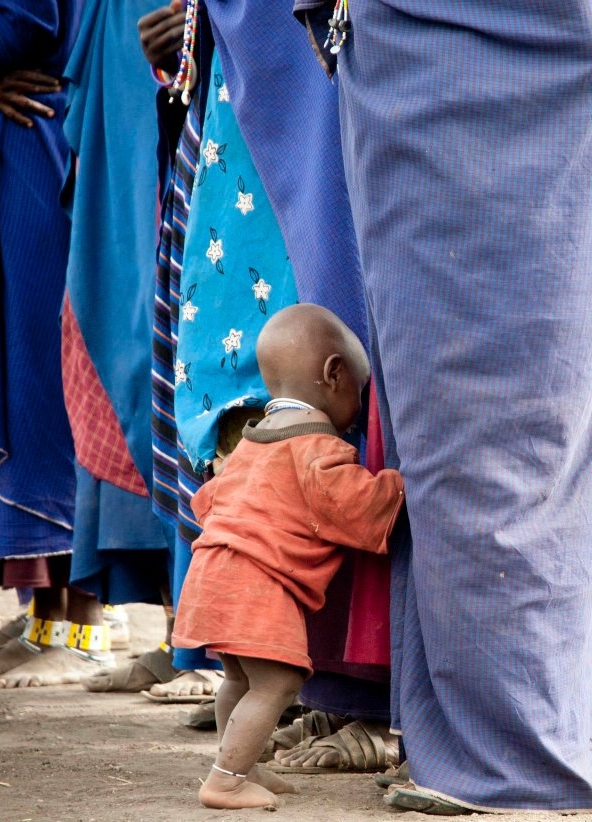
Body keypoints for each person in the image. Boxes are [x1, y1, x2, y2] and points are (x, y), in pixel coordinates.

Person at [322, 0, 592, 813]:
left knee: (488, 440)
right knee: (500, 443)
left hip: (466, 114)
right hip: (455, 102)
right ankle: (534, 738)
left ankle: (514, 759)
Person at [0, 0, 121, 687]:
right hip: (5, 148)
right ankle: (45, 620)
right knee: (18, 373)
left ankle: (84, 627)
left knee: (46, 376)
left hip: (38, 146)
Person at [172, 303, 405, 809]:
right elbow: (360, 508)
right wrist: (405, 484)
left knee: (238, 677)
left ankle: (241, 762)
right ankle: (226, 780)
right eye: (360, 394)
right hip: (257, 585)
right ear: (334, 375)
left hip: (209, 570)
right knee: (278, 683)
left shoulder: (249, 445)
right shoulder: (317, 451)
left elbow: (205, 500)